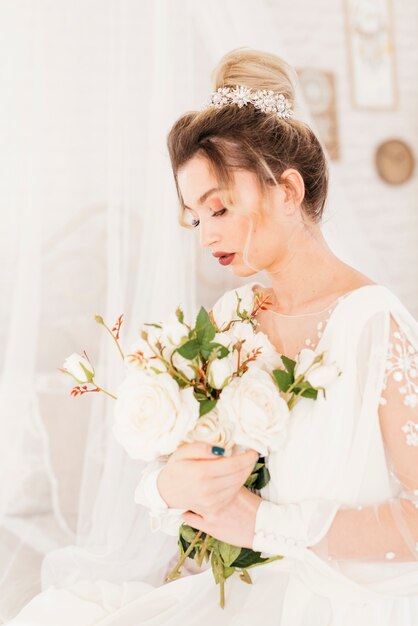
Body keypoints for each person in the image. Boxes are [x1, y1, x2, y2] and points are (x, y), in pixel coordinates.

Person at [8, 48, 418, 625]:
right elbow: (201, 473)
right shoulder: (231, 318)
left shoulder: (373, 323)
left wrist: (265, 524)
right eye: (195, 218)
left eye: (218, 208)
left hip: (346, 601)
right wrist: (170, 486)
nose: (205, 235)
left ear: (288, 192)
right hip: (247, 593)